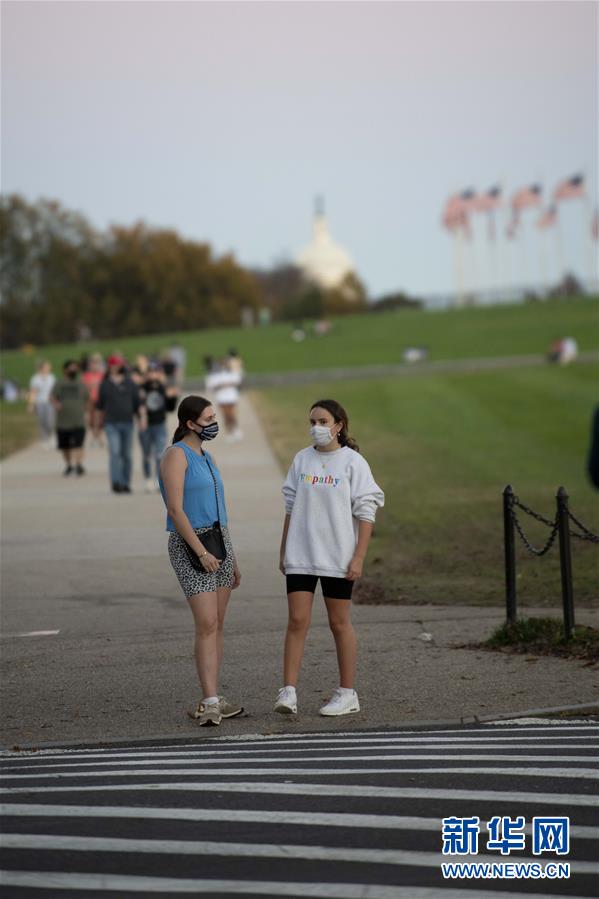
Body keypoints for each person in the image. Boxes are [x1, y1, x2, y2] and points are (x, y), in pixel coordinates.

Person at [276, 399, 384, 717]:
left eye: (323, 421)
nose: (316, 428)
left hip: (338, 557)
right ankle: (288, 691)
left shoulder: (353, 463)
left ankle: (347, 693)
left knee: (339, 623)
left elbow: (367, 513)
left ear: (338, 425)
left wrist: (359, 557)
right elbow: (291, 506)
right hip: (301, 553)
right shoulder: (301, 460)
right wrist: (284, 549)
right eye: (312, 422)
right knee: (297, 621)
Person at [159, 395, 242, 727]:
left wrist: (230, 556)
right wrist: (201, 552)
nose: (213, 423)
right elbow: (175, 511)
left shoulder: (208, 457)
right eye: (208, 419)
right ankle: (208, 701)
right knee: (206, 624)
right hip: (191, 544)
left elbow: (219, 509)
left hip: (219, 541)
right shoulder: (175, 456)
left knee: (218, 625)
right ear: (190, 424)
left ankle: (214, 695)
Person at [96, 355, 147, 494]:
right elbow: (100, 406)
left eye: (119, 365)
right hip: (110, 423)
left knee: (127, 455)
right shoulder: (105, 384)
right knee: (115, 452)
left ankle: (125, 482)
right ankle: (116, 482)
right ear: (110, 367)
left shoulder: (130, 383)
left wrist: (142, 419)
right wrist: (98, 425)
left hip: (128, 423)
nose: (117, 367)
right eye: (114, 365)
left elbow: (138, 404)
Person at [138, 362, 176, 492]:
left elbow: (170, 408)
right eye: (151, 372)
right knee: (146, 454)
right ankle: (148, 479)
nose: (153, 374)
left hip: (160, 424)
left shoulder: (163, 387)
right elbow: (137, 406)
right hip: (145, 425)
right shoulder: (142, 387)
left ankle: (158, 480)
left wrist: (172, 397)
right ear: (147, 373)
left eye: (156, 372)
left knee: (160, 454)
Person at [51, 360, 90, 476]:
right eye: (71, 368)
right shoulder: (59, 383)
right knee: (65, 446)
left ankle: (79, 465)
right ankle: (69, 465)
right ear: (65, 370)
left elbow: (87, 399)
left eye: (75, 368)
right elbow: (52, 397)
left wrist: (87, 413)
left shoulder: (81, 383)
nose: (73, 370)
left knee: (79, 444)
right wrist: (56, 404)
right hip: (63, 421)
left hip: (78, 420)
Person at [205, 359, 243, 442]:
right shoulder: (215, 375)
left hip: (231, 397)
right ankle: (229, 432)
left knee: (232, 414)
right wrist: (221, 385)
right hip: (221, 398)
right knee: (226, 415)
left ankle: (235, 428)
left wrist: (227, 384)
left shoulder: (232, 373)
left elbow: (237, 382)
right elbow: (211, 387)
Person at [27, 360, 56, 448]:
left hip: (50, 402)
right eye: (47, 366)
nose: (49, 368)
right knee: (41, 421)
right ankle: (44, 439)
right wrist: (31, 404)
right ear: (42, 368)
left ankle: (51, 436)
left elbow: (55, 391)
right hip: (39, 402)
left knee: (50, 421)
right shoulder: (35, 378)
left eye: (49, 366)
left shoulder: (52, 377)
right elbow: (33, 392)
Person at [81, 353, 105, 446]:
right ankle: (94, 437)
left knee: (100, 420)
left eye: (97, 363)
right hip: (90, 400)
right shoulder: (86, 376)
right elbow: (83, 388)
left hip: (100, 400)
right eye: (93, 364)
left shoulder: (103, 375)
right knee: (90, 419)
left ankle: (99, 436)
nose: (95, 366)